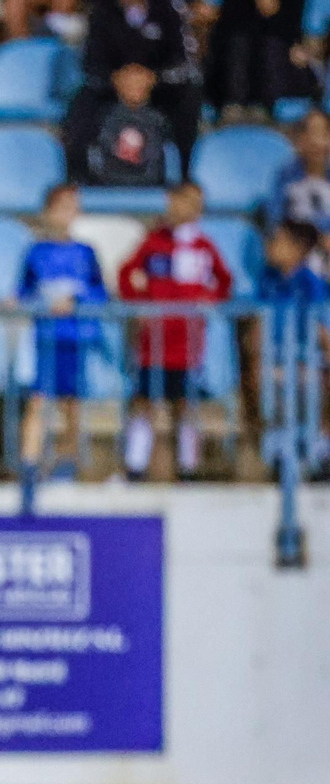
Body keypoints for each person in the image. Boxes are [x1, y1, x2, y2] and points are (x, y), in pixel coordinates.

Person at [118, 183, 233, 479]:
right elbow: (125, 274)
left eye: (195, 203)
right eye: (182, 201)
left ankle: (188, 468)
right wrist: (139, 304)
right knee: (144, 402)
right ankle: (135, 467)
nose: (188, 208)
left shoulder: (203, 247)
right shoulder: (154, 242)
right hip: (152, 343)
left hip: (186, 344)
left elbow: (224, 281)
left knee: (184, 405)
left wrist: (208, 300)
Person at [15, 184, 108, 479]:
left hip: (75, 338)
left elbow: (100, 294)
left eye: (73, 207)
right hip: (46, 339)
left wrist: (76, 302)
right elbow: (22, 292)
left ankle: (68, 462)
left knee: (72, 404)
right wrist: (30, 302)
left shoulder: (85, 253)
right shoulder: (35, 253)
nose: (69, 214)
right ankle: (29, 463)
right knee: (39, 400)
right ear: (49, 212)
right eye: (63, 207)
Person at [62, 0, 202, 180]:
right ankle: (78, 178)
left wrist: (152, 78)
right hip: (112, 88)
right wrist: (117, 79)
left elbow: (183, 62)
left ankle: (185, 178)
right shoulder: (100, 12)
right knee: (81, 104)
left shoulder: (170, 10)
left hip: (159, 88)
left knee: (188, 99)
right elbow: (91, 64)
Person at [251, 219, 330, 475]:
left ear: (298, 249)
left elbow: (320, 327)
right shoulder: (267, 280)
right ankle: (278, 456)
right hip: (272, 362)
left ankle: (315, 455)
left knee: (308, 395)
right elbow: (257, 325)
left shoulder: (310, 283)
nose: (270, 246)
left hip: (305, 361)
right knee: (273, 403)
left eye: (278, 240)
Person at [205, 0, 318, 118]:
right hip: (227, 94)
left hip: (279, 94)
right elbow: (207, 12)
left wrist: (303, 44)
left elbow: (312, 37)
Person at [84, 62, 172, 187]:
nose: (134, 87)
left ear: (151, 83)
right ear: (116, 83)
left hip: (149, 185)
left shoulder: (158, 119)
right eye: (129, 83)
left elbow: (158, 154)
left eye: (139, 83)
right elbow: (99, 150)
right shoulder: (103, 117)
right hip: (108, 185)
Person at [266, 109, 330, 266]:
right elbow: (275, 216)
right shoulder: (286, 177)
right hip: (297, 253)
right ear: (299, 140)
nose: (316, 141)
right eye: (310, 133)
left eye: (323, 134)